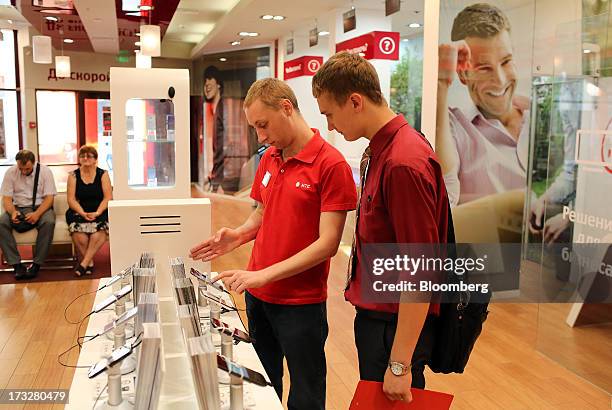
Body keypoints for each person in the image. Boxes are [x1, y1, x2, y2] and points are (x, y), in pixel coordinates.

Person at [190, 78, 357, 410]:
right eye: (255, 128)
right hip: (258, 297)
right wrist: (238, 235)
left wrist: (265, 275)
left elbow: (327, 244)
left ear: (286, 108)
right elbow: (262, 211)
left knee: (306, 393)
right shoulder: (269, 158)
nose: (260, 136)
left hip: (300, 304)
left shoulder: (331, 165)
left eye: (263, 125)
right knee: (263, 385)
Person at [312, 52, 450, 403]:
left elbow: (421, 270)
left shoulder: (403, 161)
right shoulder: (381, 150)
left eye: (330, 113)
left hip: (393, 328)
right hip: (380, 320)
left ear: (355, 101)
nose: (329, 125)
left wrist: (400, 363)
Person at [436, 3, 528, 206]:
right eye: (485, 68)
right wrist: (441, 82)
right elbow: (446, 201)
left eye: (506, 62)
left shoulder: (542, 114)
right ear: (462, 74)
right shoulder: (454, 128)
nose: (501, 80)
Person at [0, 149, 57, 279]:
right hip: (18, 207)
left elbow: (49, 198)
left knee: (49, 222)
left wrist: (37, 214)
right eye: (21, 168)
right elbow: (7, 199)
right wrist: (13, 212)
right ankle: (16, 265)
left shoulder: (45, 172)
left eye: (27, 169)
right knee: (1, 223)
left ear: (34, 163)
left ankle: (36, 264)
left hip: (41, 207)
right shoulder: (11, 172)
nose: (24, 172)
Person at [65, 145, 112, 277]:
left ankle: (84, 263)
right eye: (82, 156)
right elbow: (71, 200)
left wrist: (97, 212)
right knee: (78, 233)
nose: (85, 158)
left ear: (95, 159)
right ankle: (89, 263)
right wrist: (83, 213)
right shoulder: (73, 175)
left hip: (99, 209)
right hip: (79, 210)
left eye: (89, 156)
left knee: (100, 232)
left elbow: (108, 197)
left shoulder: (103, 174)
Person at [203, 65, 226, 192]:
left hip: (222, 177)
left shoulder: (223, 109)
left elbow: (224, 148)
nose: (206, 84)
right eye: (205, 81)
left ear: (218, 84)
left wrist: (218, 178)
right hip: (217, 175)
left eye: (210, 79)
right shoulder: (213, 109)